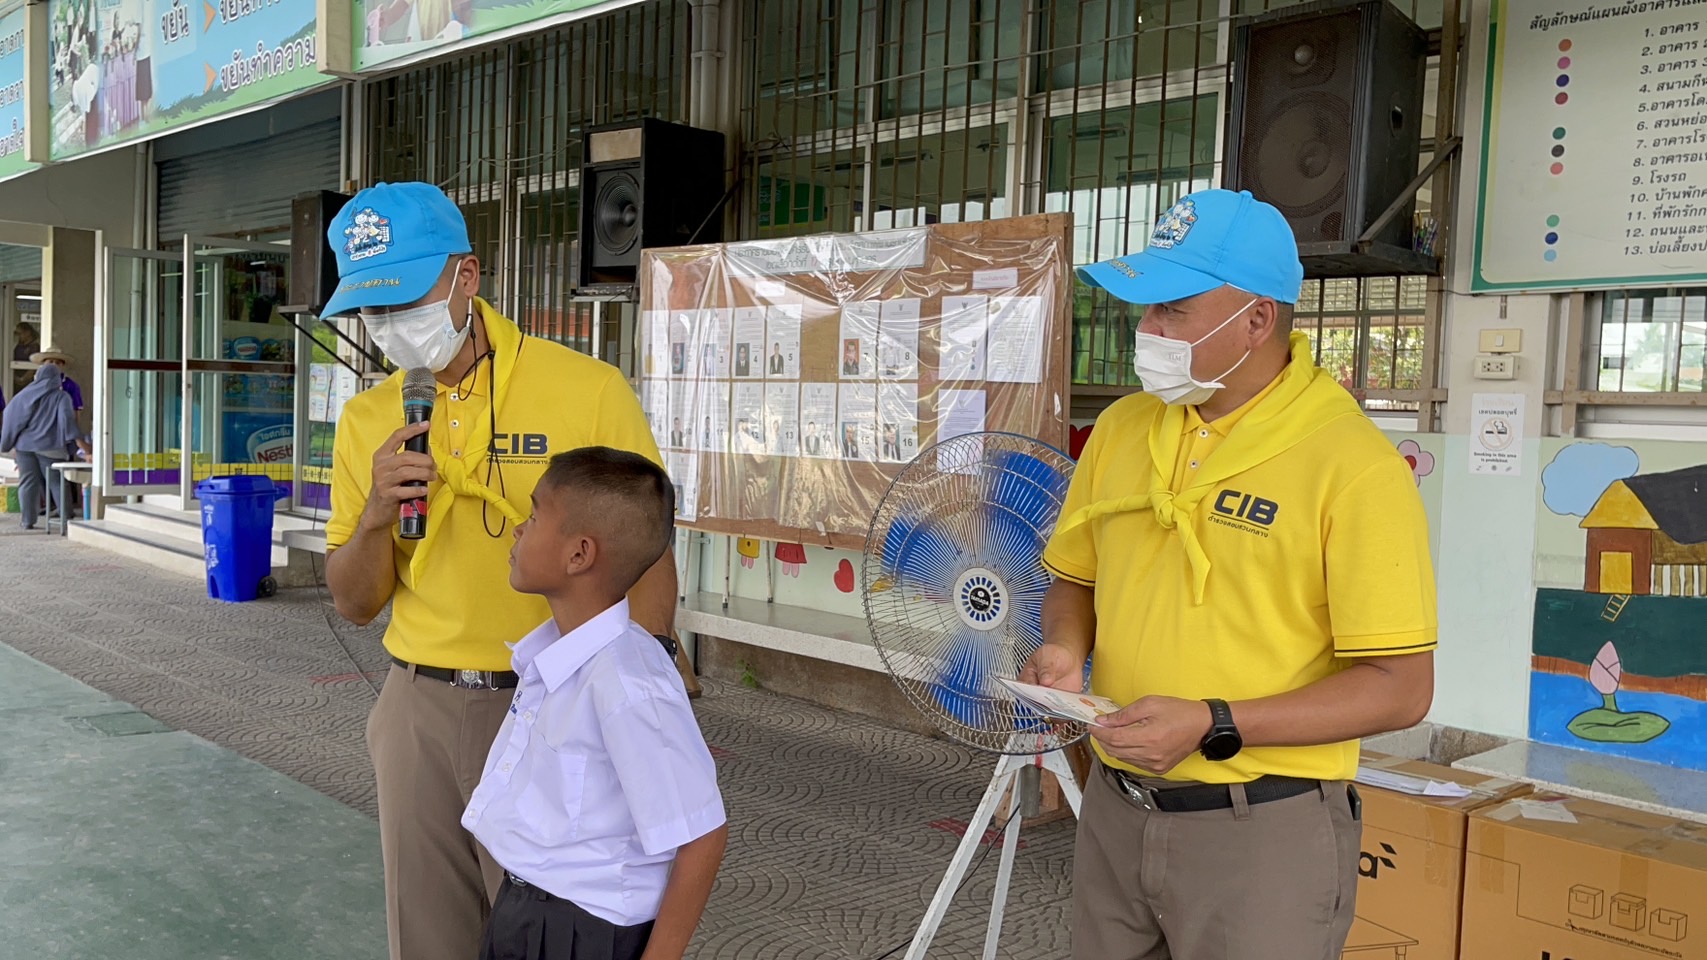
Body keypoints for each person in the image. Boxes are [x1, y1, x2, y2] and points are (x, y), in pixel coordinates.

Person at [1019, 189, 1436, 960]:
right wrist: (1064, 651)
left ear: (1256, 319)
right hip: (1114, 809)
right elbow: (1073, 577)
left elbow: (1401, 687)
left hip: (1263, 834)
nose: (1144, 331)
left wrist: (1213, 722)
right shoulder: (1122, 427)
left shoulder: (1351, 465)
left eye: (1171, 310)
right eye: (1141, 308)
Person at [320, 182, 680, 960]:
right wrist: (379, 514)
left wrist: (646, 691)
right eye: (370, 311)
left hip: (557, 708)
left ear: (467, 278)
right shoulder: (366, 419)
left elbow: (648, 554)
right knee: (428, 940)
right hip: (416, 704)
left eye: (403, 301)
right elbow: (353, 602)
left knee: (548, 936)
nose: (389, 329)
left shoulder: (585, 389)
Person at [464, 447, 726, 960]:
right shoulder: (557, 656)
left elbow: (703, 837)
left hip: (582, 933)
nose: (519, 528)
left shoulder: (628, 681)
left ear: (579, 554)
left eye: (535, 515)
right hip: (526, 912)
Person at [1, 364, 86, 530]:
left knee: (27, 482)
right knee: (56, 482)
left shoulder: (23, 396)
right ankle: (65, 517)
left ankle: (27, 521)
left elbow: (11, 419)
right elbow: (68, 423)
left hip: (24, 447)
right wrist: (79, 443)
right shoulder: (61, 397)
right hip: (50, 447)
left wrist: (7, 443)